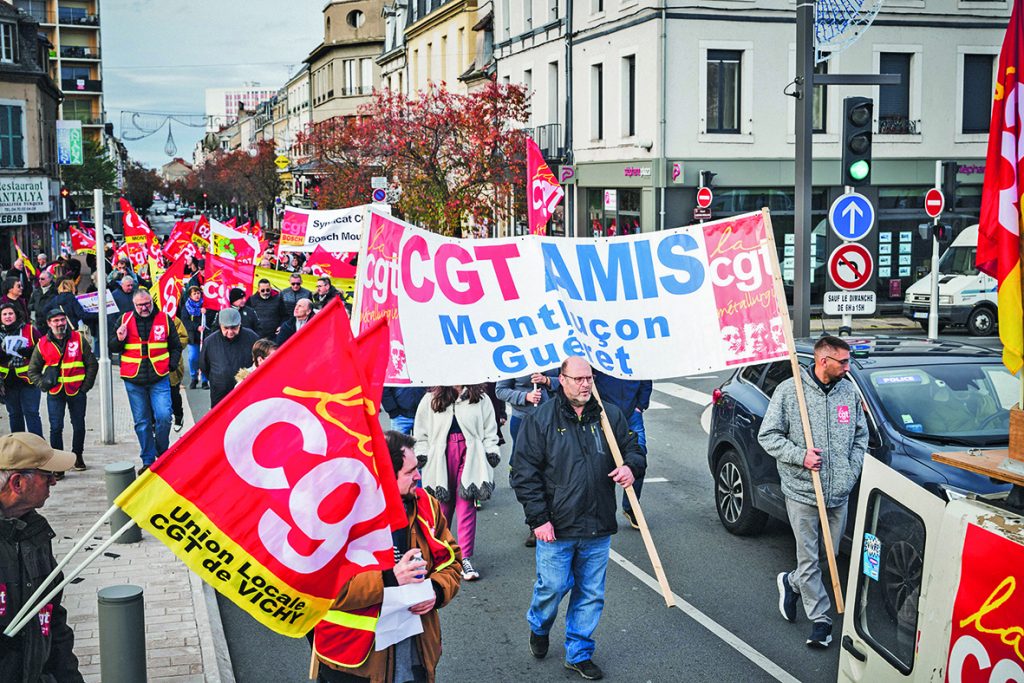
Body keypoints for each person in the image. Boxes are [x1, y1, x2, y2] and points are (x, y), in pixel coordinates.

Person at [510, 356, 644, 681]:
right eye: (579, 379)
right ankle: (539, 626)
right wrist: (538, 519)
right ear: (562, 379)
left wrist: (630, 467)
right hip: (556, 526)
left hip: (598, 525)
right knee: (552, 588)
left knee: (591, 593)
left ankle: (579, 652)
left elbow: (633, 449)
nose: (586, 384)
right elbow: (523, 472)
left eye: (590, 379)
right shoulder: (541, 419)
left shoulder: (608, 415)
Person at [311, 430, 462, 683]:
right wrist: (389, 578)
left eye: (417, 468)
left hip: (415, 652)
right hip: (354, 661)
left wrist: (437, 590)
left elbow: (452, 561)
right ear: (384, 476)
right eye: (410, 472)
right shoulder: (338, 517)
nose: (418, 476)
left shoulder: (428, 505)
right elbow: (323, 588)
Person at [758, 335, 868, 649]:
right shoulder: (790, 392)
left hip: (838, 492)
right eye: (843, 362)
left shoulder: (848, 390)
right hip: (802, 491)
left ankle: (790, 582)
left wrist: (851, 470)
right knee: (809, 560)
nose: (849, 367)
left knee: (828, 555)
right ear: (823, 361)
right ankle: (821, 621)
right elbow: (768, 436)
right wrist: (800, 456)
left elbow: (861, 435)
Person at [0, 432, 84, 682]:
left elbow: (52, 615)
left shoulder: (35, 532)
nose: (54, 482)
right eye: (48, 476)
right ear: (17, 483)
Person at [414, 384, 499, 582]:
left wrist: (491, 450)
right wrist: (422, 454)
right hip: (440, 457)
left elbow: (490, 429)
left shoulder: (480, 398)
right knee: (441, 509)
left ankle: (464, 558)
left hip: (471, 455)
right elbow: (420, 432)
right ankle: (439, 554)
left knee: (466, 504)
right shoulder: (430, 399)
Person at [109, 289, 182, 471]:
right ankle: (148, 461)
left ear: (152, 302)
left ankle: (162, 451)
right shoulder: (124, 320)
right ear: (134, 305)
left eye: (147, 303)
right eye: (140, 305)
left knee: (164, 416)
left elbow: (176, 346)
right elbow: (113, 347)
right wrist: (119, 338)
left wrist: (171, 364)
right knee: (142, 422)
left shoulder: (164, 319)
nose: (144, 307)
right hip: (133, 378)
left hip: (159, 376)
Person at [27, 308, 98, 472]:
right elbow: (33, 370)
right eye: (56, 321)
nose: (60, 323)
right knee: (56, 427)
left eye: (62, 320)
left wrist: (85, 387)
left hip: (77, 391)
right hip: (55, 393)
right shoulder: (43, 344)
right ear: (49, 323)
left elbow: (92, 364)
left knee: (79, 426)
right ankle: (58, 465)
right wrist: (43, 385)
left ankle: (77, 456)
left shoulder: (78, 339)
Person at [496, 370, 560, 547]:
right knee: (529, 474)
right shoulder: (514, 360)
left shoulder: (555, 354)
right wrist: (526, 397)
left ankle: (554, 517)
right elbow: (500, 390)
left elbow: (566, 380)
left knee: (552, 469)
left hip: (552, 418)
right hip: (523, 419)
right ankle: (534, 523)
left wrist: (547, 380)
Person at [592, 372, 652, 530]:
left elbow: (645, 376)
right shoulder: (599, 351)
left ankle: (631, 507)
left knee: (639, 457)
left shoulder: (634, 351)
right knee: (599, 460)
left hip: (632, 413)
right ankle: (597, 511)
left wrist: (641, 406)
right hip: (604, 412)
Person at [197, 307, 258, 408]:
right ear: (220, 325)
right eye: (226, 328)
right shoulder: (210, 342)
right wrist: (216, 378)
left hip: (245, 390)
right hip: (219, 391)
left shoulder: (252, 338)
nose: (230, 332)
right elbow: (204, 365)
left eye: (234, 328)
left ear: (240, 325)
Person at [0, 302, 43, 437]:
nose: (8, 317)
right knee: (14, 415)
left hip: (29, 380)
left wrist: (30, 352)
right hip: (7, 382)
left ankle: (38, 449)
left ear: (16, 315)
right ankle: (18, 450)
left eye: (10, 313)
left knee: (31, 413)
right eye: (4, 314)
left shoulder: (29, 330)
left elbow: (44, 348)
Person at [178, 286, 210, 389]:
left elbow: (211, 318)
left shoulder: (205, 305)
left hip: (204, 336)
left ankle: (205, 380)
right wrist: (196, 327)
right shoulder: (186, 307)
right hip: (193, 336)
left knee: (204, 358)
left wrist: (206, 313)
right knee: (193, 358)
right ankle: (194, 377)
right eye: (194, 294)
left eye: (198, 293)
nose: (197, 295)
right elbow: (185, 321)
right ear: (190, 296)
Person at [168, 314, 189, 432]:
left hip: (172, 364)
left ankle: (178, 416)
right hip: (154, 367)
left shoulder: (174, 320)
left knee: (174, 393)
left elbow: (183, 339)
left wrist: (170, 345)